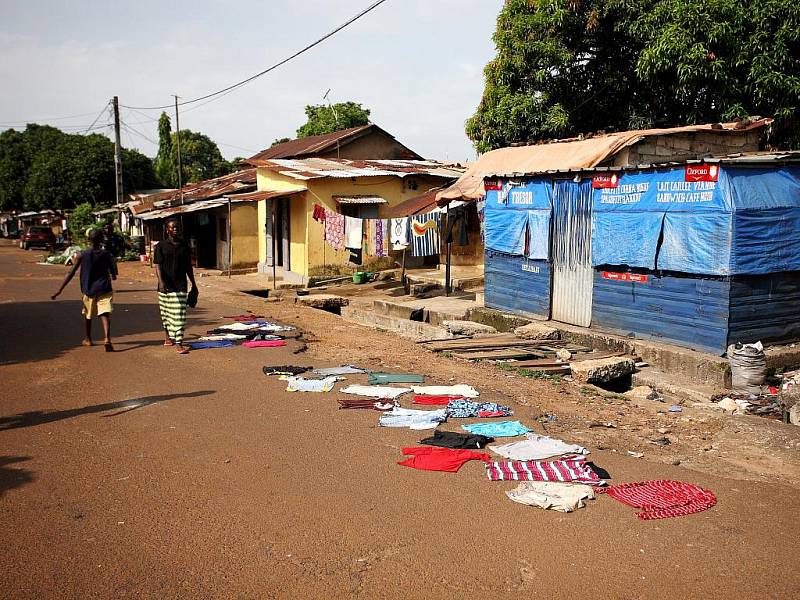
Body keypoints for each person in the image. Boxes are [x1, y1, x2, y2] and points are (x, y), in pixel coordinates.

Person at [51, 228, 117, 351]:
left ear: (88, 240)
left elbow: (71, 272)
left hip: (89, 289)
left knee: (88, 315)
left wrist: (60, 290)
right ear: (101, 240)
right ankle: (107, 338)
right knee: (105, 313)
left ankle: (88, 339)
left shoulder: (82, 254)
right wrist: (113, 275)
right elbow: (112, 269)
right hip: (104, 288)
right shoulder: (106, 254)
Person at [154, 218, 197, 354]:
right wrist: (161, 282)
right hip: (165, 285)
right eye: (173, 227)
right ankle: (168, 337)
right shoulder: (160, 246)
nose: (176, 229)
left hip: (180, 284)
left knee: (179, 314)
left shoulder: (184, 246)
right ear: (167, 230)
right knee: (166, 313)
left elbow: (188, 267)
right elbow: (157, 265)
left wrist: (194, 285)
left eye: (177, 227)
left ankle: (179, 342)